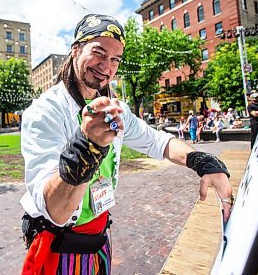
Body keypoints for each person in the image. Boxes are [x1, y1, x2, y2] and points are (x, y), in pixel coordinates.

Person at [19, 14, 233, 275]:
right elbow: (55, 210)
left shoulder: (115, 108)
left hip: (98, 239)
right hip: (59, 247)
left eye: (115, 60)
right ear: (76, 49)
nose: (106, 66)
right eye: (98, 53)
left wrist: (201, 161)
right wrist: (87, 147)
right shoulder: (45, 111)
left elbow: (157, 141)